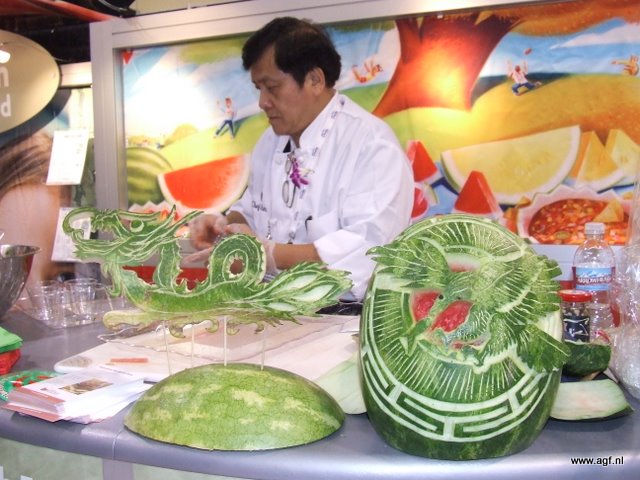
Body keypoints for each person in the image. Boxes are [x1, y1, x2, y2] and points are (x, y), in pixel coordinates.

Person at [190, 17, 414, 301]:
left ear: (315, 80)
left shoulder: (371, 145)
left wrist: (271, 255)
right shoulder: (269, 142)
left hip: (345, 317)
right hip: (273, 309)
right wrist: (223, 226)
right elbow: (254, 209)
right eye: (258, 88)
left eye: (272, 87)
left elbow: (369, 250)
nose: (262, 102)